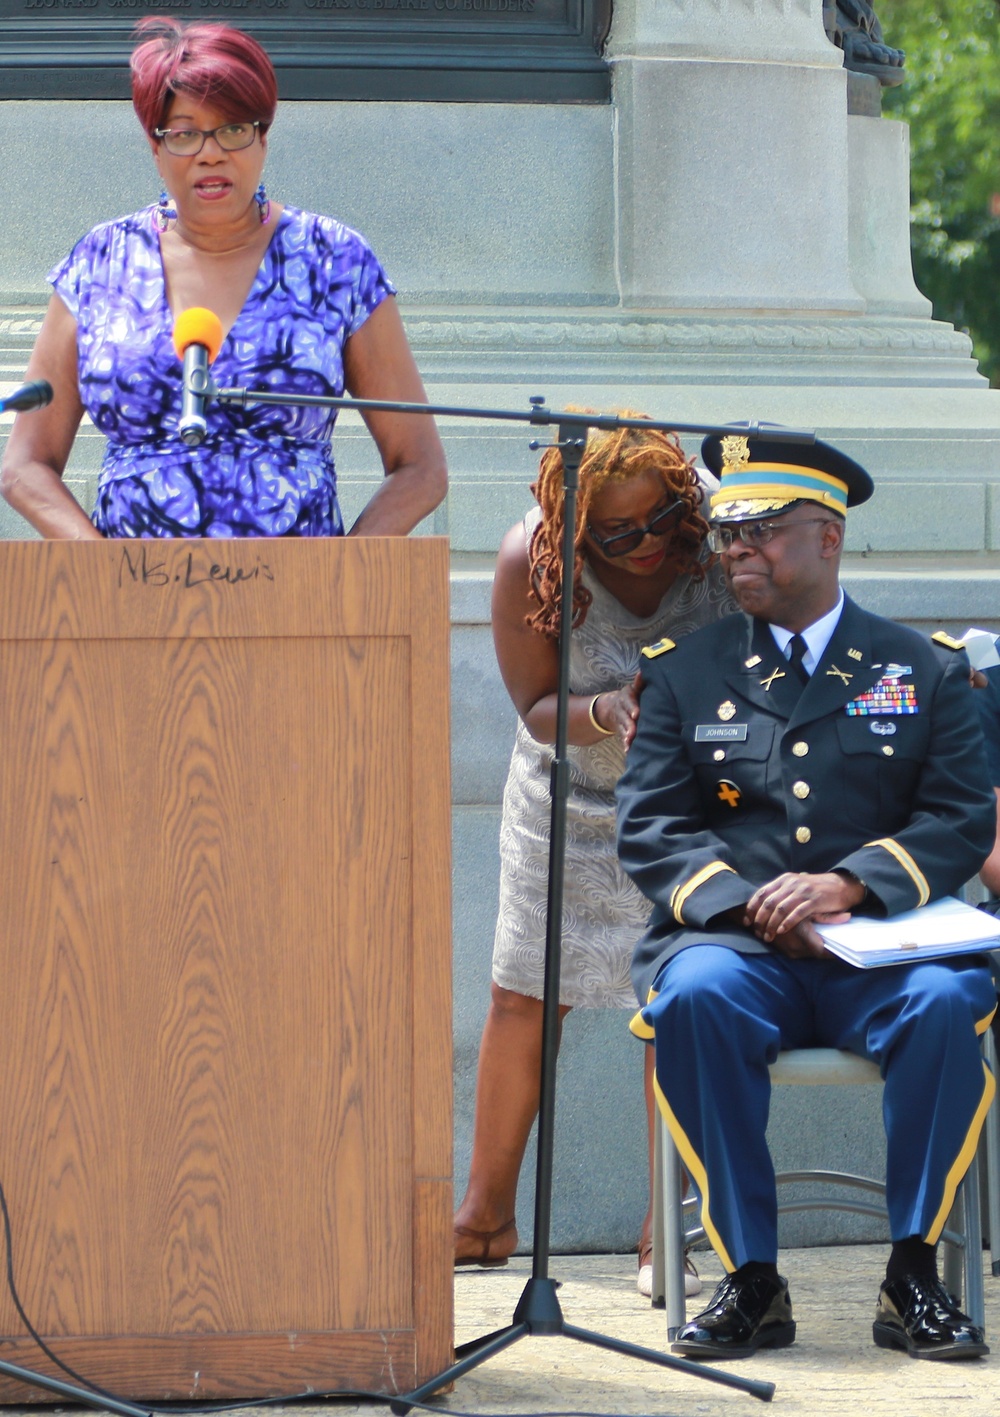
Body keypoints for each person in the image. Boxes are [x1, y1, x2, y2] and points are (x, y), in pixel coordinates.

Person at [616, 431, 997, 1361]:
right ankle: (751, 1278)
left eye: (764, 529)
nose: (737, 546)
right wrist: (754, 905)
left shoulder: (925, 667)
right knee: (694, 995)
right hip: (742, 949)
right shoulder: (684, 669)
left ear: (827, 539)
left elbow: (955, 818)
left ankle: (915, 1271)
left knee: (951, 1001)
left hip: (888, 948)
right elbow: (652, 827)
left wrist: (847, 885)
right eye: (728, 528)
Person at [454, 415, 734, 1295]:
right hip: (564, 799)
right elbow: (537, 706)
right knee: (524, 994)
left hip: (692, 807)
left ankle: (662, 1233)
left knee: (675, 999)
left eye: (659, 518)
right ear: (577, 528)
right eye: (619, 531)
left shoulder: (714, 541)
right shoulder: (530, 559)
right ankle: (485, 1218)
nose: (646, 543)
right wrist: (607, 710)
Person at [0, 19, 445, 541]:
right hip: (132, 606)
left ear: (263, 138)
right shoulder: (101, 261)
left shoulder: (334, 260)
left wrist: (339, 580)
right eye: (185, 133)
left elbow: (420, 467)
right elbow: (25, 466)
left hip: (300, 607)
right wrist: (104, 577)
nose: (211, 152)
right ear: (155, 148)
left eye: (233, 129)